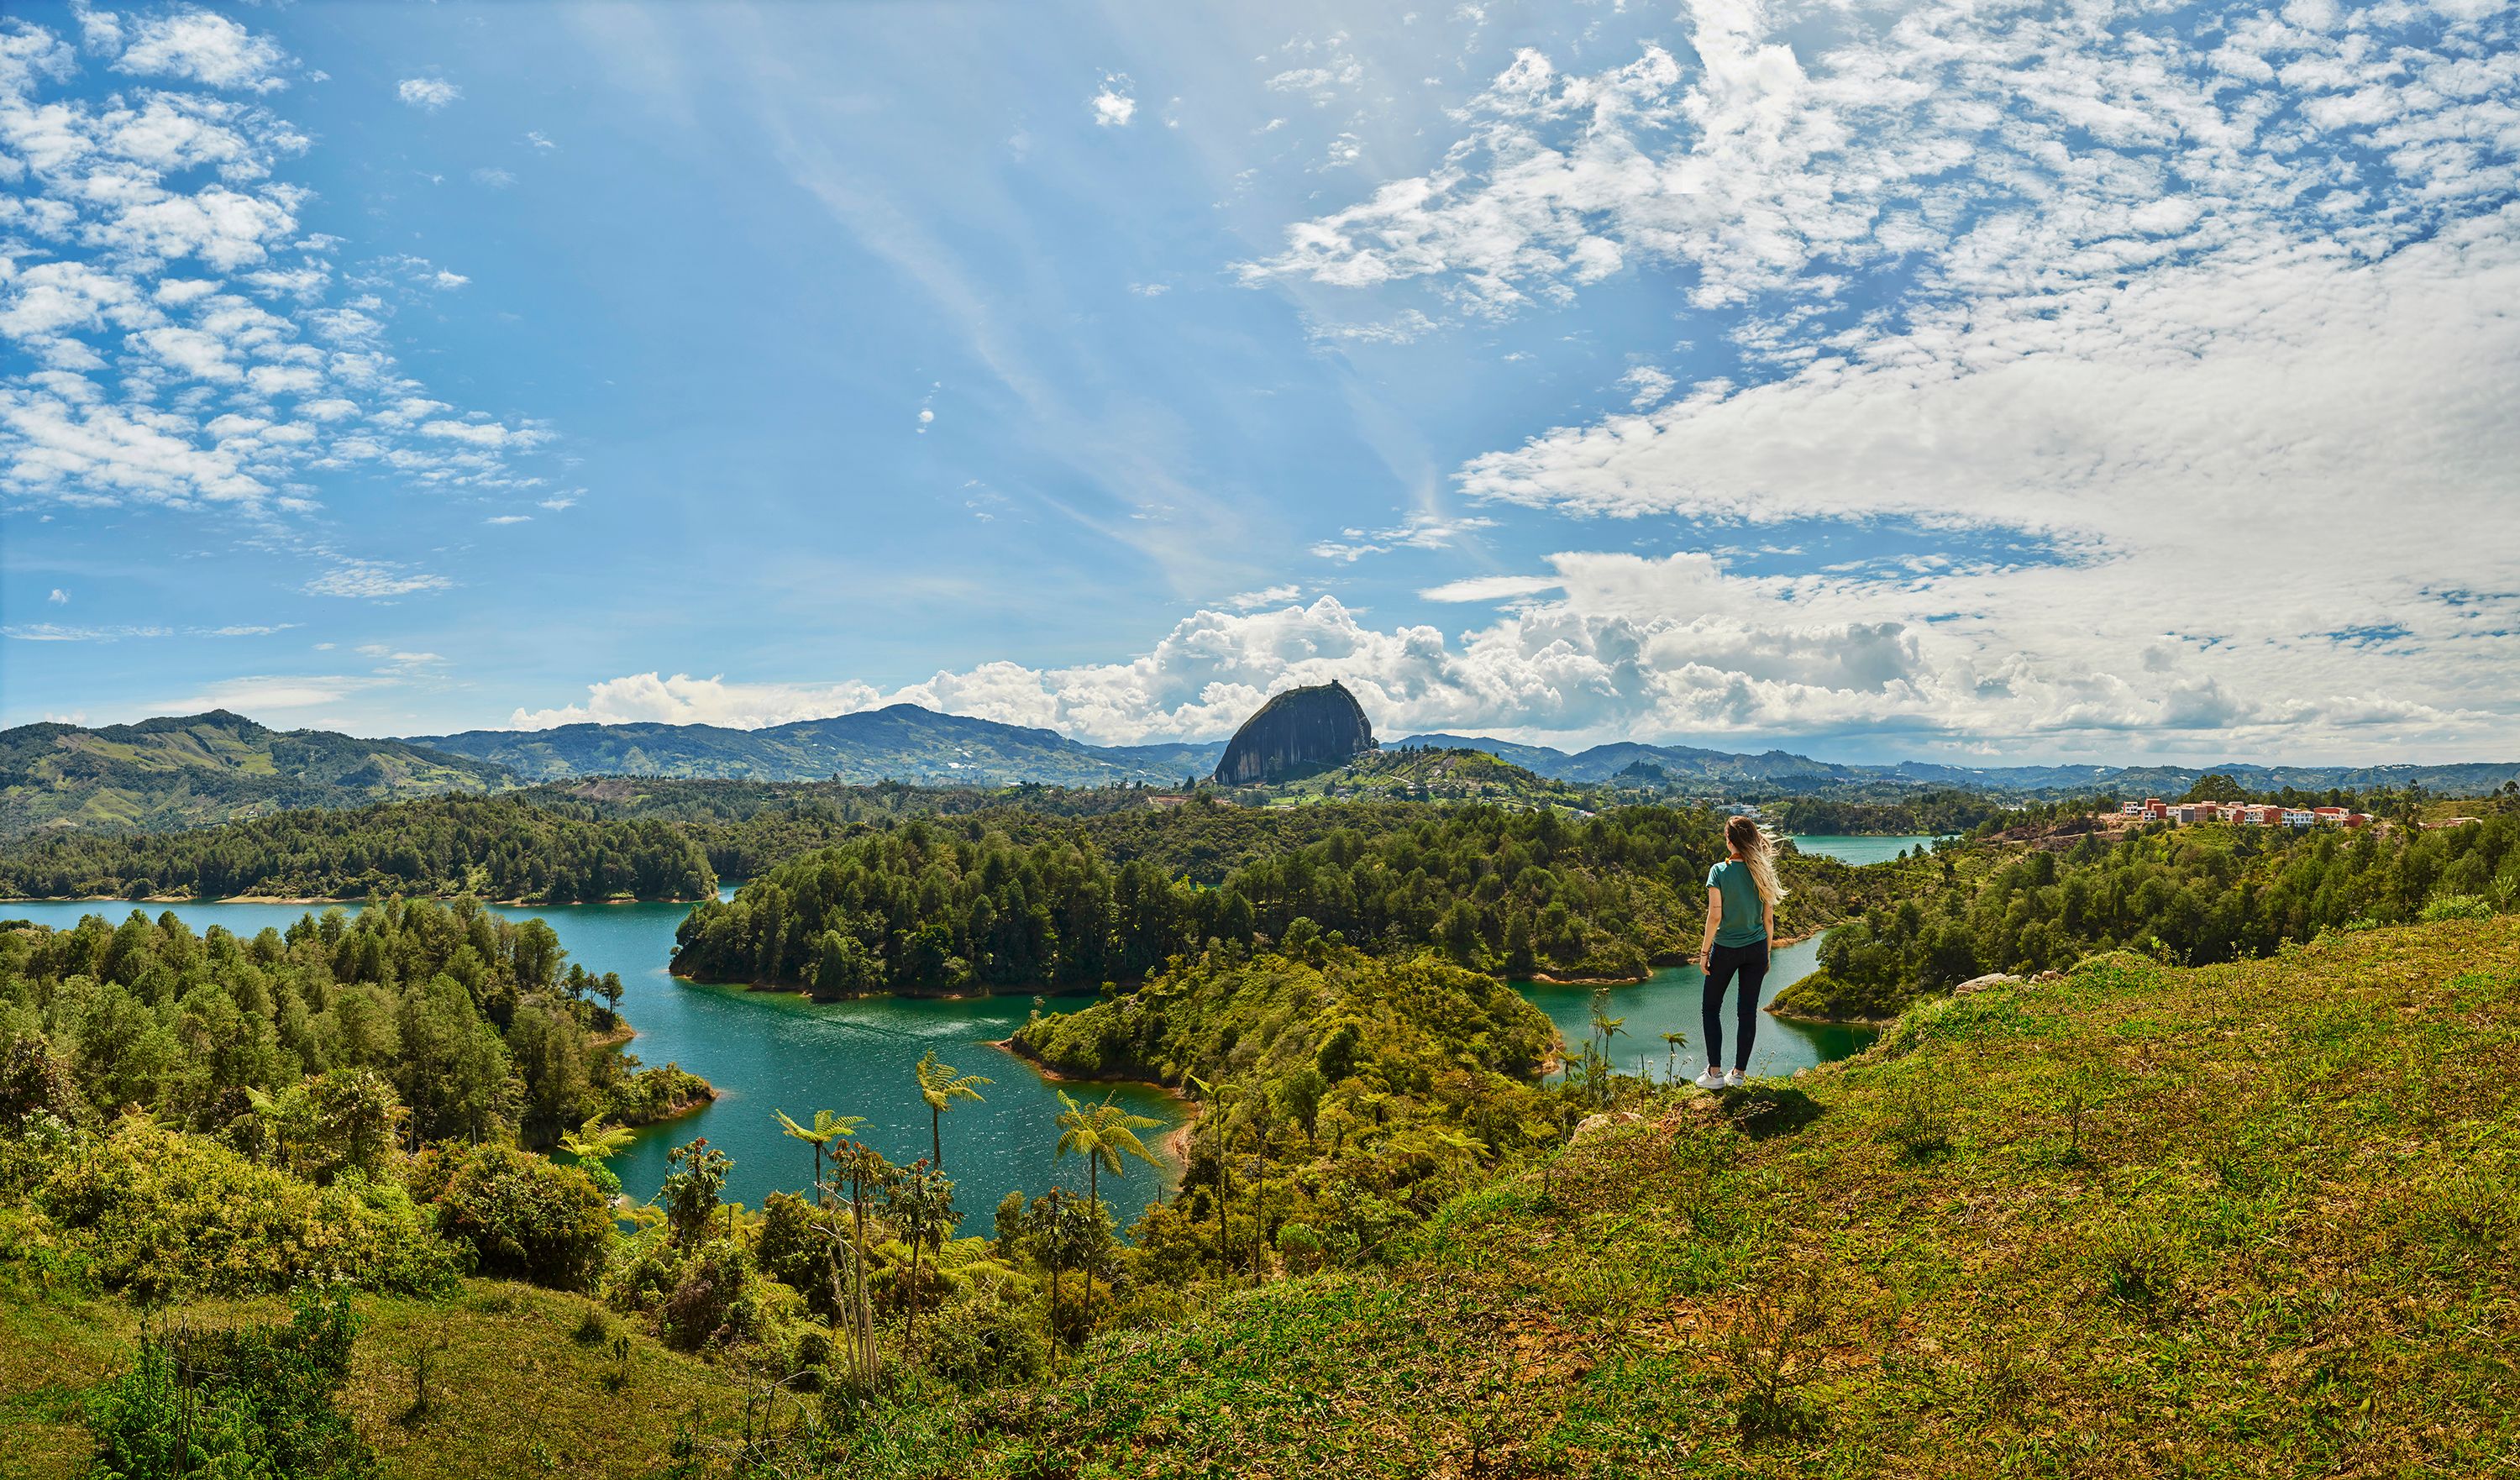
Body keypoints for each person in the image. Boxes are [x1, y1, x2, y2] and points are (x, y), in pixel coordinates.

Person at [1693, 816, 1784, 1089]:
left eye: (1725, 835)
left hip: (1726, 950)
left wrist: (1704, 953)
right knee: (1747, 1012)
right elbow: (1769, 920)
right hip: (1756, 949)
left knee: (1711, 1008)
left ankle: (1715, 1074)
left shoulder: (1719, 871)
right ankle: (1739, 1075)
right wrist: (1766, 954)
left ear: (1731, 840)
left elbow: (1714, 916)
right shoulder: (1762, 872)